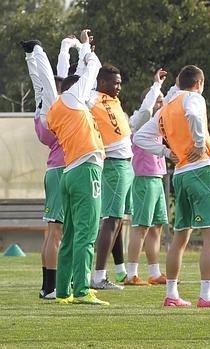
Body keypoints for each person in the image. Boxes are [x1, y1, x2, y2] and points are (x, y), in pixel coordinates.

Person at [134, 65, 210, 308]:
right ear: (199, 83)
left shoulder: (166, 108)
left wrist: (167, 151)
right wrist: (200, 142)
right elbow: (193, 114)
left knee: (181, 236)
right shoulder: (193, 98)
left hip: (179, 174)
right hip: (199, 170)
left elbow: (138, 136)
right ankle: (207, 295)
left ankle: (171, 294)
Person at [44, 29, 109, 305]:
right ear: (75, 87)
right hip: (85, 170)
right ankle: (82, 289)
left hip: (69, 173)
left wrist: (74, 54)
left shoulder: (55, 109)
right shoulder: (73, 97)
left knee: (70, 234)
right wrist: (85, 47)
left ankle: (62, 291)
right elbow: (94, 66)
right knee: (87, 231)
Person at [21, 36, 79, 299]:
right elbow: (53, 79)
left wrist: (67, 48)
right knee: (57, 232)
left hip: (54, 170)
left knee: (53, 230)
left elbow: (56, 77)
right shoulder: (56, 109)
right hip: (59, 172)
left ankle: (47, 286)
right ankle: (52, 287)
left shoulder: (48, 109)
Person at [89, 63, 135, 290]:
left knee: (118, 221)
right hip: (114, 165)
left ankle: (105, 273)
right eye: (114, 82)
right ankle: (98, 277)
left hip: (125, 166)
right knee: (110, 220)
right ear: (102, 82)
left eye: (120, 83)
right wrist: (85, 51)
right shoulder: (92, 98)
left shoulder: (112, 101)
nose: (118, 87)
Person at [124, 68, 169, 286]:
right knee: (140, 226)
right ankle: (131, 273)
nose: (162, 103)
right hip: (143, 177)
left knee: (156, 226)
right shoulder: (140, 119)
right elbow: (146, 107)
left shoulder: (159, 123)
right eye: (158, 101)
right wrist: (156, 86)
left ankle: (154, 272)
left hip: (157, 177)